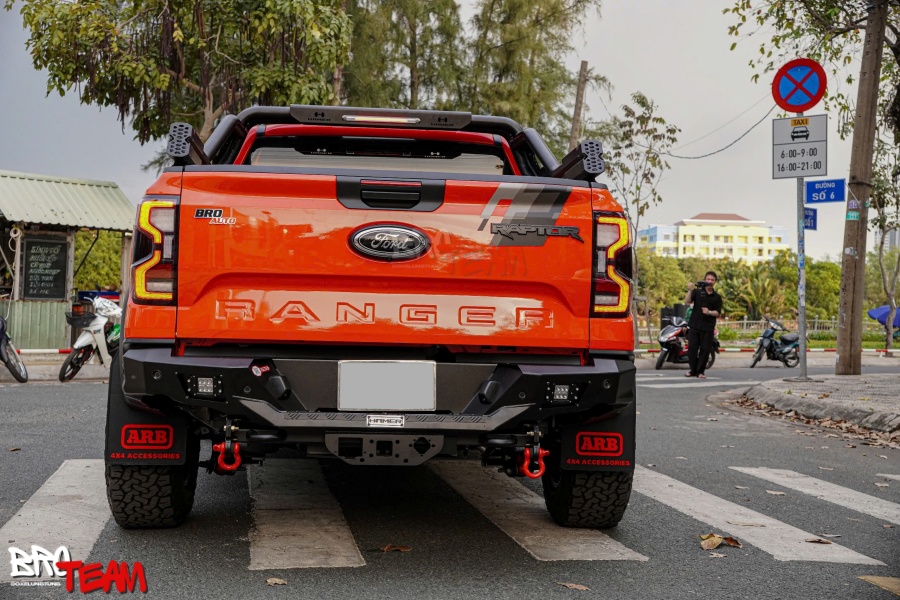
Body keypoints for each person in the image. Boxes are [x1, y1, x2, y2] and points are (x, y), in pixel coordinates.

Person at [683, 271, 723, 379]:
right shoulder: (697, 292)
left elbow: (718, 313)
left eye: (712, 280)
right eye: (708, 279)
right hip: (695, 325)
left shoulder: (717, 297)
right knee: (692, 349)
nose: (709, 281)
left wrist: (709, 312)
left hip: (708, 327)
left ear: (715, 282)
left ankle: (700, 372)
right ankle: (693, 370)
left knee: (705, 350)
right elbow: (687, 301)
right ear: (705, 280)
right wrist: (690, 290)